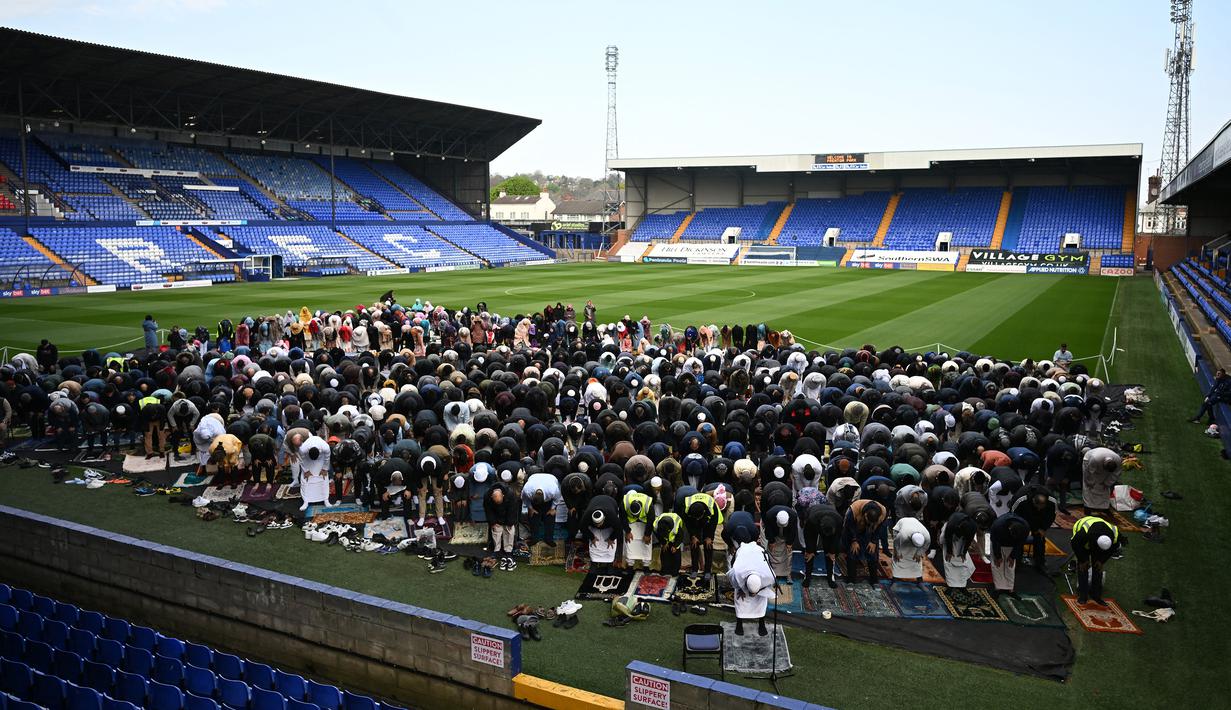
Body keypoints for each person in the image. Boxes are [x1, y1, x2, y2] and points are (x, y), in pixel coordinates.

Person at [1071, 515, 1120, 605]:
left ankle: (1096, 595)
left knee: (1098, 567)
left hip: (1097, 539)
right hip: (1081, 540)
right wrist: (1082, 560)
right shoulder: (1084, 534)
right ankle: (1083, 596)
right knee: (1083, 567)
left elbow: (1111, 550)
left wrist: (1101, 561)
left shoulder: (1115, 536)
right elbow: (1075, 544)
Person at [483, 481, 519, 571]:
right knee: (496, 530)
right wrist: (493, 522)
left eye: (500, 501)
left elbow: (513, 509)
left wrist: (510, 522)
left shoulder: (511, 494)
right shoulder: (487, 496)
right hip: (495, 514)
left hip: (508, 513)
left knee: (509, 530)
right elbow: (488, 510)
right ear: (492, 497)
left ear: (503, 495)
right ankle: (496, 550)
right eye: (496, 501)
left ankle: (508, 551)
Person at [521, 472, 563, 547]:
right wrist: (530, 508)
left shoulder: (552, 489)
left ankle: (549, 539)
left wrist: (552, 508)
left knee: (549, 517)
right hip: (534, 478)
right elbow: (524, 499)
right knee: (533, 517)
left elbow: (557, 498)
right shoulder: (527, 489)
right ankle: (534, 539)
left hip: (550, 479)